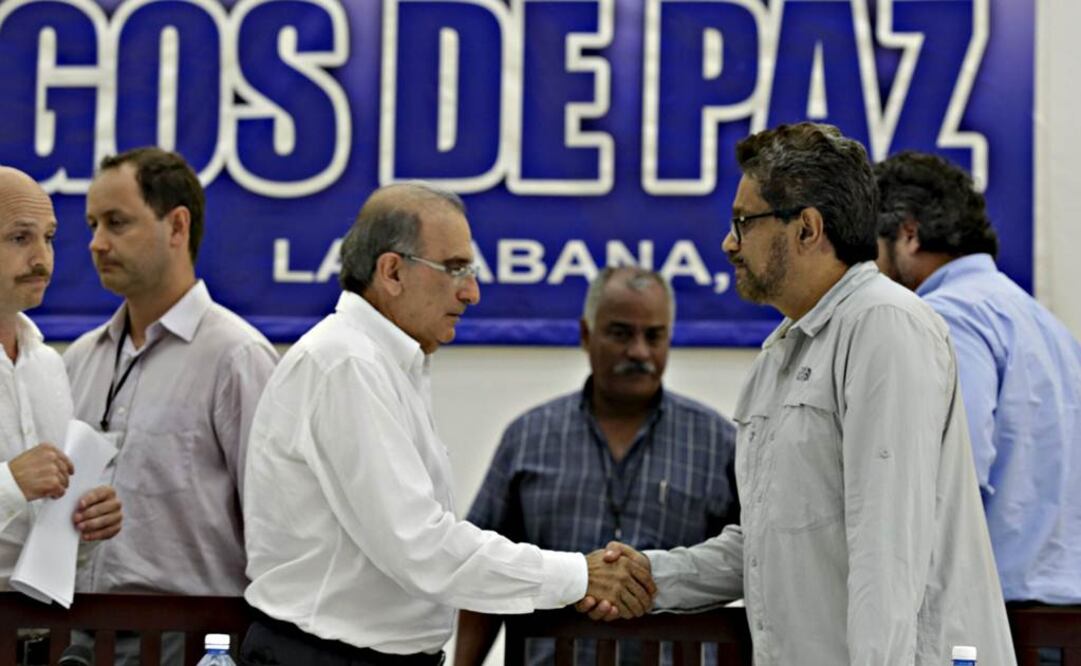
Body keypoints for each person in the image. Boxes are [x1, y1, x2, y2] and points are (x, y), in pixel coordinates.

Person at [585, 123, 1016, 665]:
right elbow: (769, 544)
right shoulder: (781, 353)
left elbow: (888, 546)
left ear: (807, 228)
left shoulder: (884, 323)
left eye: (744, 221)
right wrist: (653, 577)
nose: (729, 242)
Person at [242, 182, 655, 665]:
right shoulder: (345, 365)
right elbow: (420, 547)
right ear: (392, 271)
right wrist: (578, 575)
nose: (473, 291)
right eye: (456, 268)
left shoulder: (385, 363)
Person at [457, 266, 739, 666]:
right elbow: (484, 573)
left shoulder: (717, 442)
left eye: (654, 336)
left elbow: (756, 563)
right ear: (587, 335)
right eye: (621, 333)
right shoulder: (528, 438)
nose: (639, 351)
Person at [63, 148, 278, 664]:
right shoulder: (78, 360)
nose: (96, 243)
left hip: (193, 641)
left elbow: (275, 526)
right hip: (73, 635)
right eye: (92, 224)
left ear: (177, 226)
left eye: (117, 223)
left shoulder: (236, 357)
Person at [875, 151, 1081, 662]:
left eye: (871, 248)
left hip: (995, 627)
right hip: (1062, 621)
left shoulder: (947, 316)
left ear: (908, 235)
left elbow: (950, 476)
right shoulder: (1043, 323)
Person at [0, 166, 123, 662]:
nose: (42, 259)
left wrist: (86, 524)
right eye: (19, 238)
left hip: (41, 638)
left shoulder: (49, 366)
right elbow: (18, 488)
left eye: (48, 239)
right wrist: (10, 483)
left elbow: (46, 534)